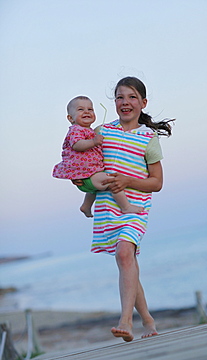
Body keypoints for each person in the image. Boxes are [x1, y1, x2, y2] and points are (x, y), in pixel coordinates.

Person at [73, 77, 174, 342]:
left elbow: (157, 183)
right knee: (127, 261)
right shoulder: (103, 132)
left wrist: (128, 181)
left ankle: (126, 321)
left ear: (143, 103)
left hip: (136, 207)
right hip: (108, 206)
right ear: (114, 102)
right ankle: (149, 322)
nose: (125, 102)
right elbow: (88, 168)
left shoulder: (148, 138)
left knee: (124, 253)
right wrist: (82, 185)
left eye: (131, 97)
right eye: (119, 97)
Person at [52, 96, 144, 217]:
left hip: (89, 174)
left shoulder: (89, 130)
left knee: (95, 190)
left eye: (90, 109)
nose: (87, 112)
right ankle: (125, 207)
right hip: (88, 175)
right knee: (113, 182)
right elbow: (77, 145)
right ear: (70, 118)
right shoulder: (76, 130)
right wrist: (94, 142)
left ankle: (86, 206)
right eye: (81, 109)